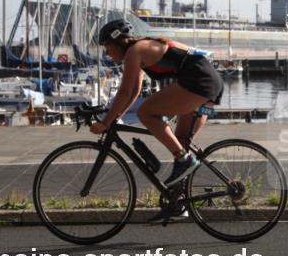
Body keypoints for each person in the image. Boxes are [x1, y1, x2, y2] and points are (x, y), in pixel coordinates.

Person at [89, 19, 224, 222]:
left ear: (118, 42)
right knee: (180, 141)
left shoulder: (135, 51)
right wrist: (116, 116)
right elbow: (133, 91)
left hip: (199, 82)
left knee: (146, 113)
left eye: (107, 47)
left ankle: (183, 159)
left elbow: (124, 92)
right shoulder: (142, 49)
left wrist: (106, 122)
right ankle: (178, 204)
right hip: (209, 82)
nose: (106, 53)